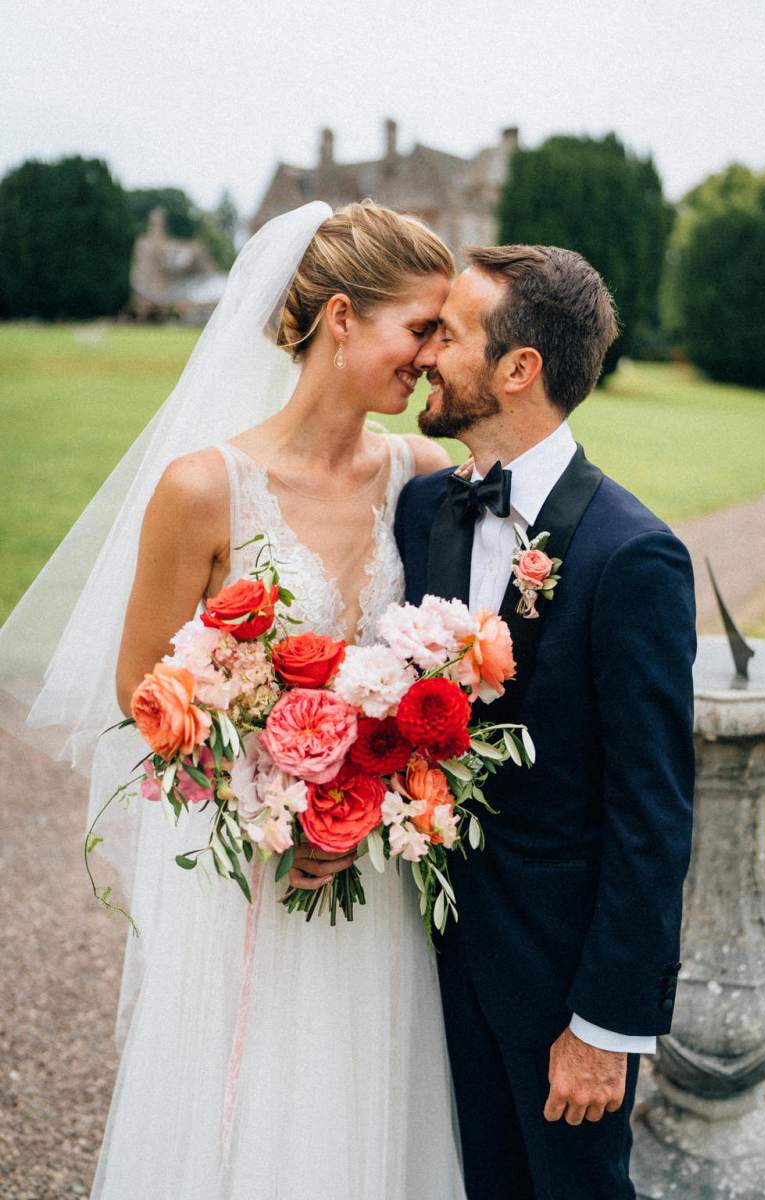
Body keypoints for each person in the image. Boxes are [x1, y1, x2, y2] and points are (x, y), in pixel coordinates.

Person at [0, 201, 467, 1198]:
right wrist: (273, 799)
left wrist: (384, 791)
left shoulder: (419, 476)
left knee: (373, 1103)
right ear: (341, 318)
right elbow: (142, 687)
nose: (433, 356)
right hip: (257, 867)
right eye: (420, 328)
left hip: (378, 867)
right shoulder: (204, 489)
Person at [393, 245, 696, 1199]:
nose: (428, 353)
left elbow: (652, 818)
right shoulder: (418, 512)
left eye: (450, 332)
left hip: (561, 994)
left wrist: (604, 1029)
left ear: (519, 368)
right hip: (430, 965)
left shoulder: (633, 556)